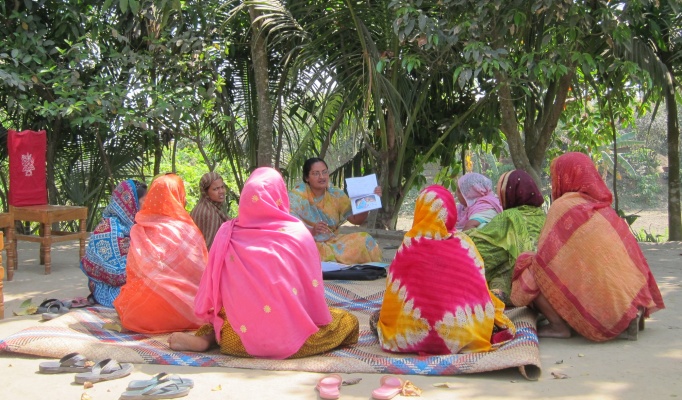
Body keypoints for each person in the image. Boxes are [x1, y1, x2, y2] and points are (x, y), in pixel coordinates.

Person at [168, 167, 359, 359]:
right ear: (279, 195)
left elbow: (215, 293)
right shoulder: (297, 233)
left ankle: (208, 338)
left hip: (235, 338)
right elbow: (311, 294)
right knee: (348, 321)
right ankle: (280, 334)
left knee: (228, 312)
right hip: (288, 340)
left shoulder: (227, 232)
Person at [510, 152, 665, 341]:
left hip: (601, 311)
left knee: (528, 266)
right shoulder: (603, 209)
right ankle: (628, 315)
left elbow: (545, 260)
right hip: (630, 300)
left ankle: (558, 327)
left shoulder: (563, 207)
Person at [374, 185, 515, 355]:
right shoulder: (465, 245)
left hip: (411, 336)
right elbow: (479, 293)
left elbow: (393, 299)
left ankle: (418, 337)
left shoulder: (409, 245)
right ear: (451, 213)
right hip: (463, 337)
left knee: (378, 318)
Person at [114, 173, 208, 334]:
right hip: (189, 314)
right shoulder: (188, 231)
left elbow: (133, 274)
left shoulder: (140, 228)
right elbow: (202, 273)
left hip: (142, 315)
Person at [467, 170, 546, 306]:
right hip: (546, 286)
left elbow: (478, 247)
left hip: (517, 290)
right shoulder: (543, 216)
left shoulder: (509, 217)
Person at [289, 157, 382, 264]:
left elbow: (356, 220)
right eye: (316, 173)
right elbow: (290, 225)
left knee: (365, 239)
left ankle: (333, 260)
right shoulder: (298, 195)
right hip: (309, 242)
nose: (322, 177)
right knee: (299, 250)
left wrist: (369, 200)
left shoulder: (335, 193)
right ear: (306, 178)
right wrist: (312, 230)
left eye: (324, 172)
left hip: (333, 242)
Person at [80, 180, 147, 307]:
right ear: (131, 203)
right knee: (148, 298)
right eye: (144, 201)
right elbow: (116, 275)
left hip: (131, 280)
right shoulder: (109, 229)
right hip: (107, 287)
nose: (147, 206)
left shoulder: (134, 225)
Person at [190, 172, 229, 250]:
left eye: (222, 187)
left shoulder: (208, 207)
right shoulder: (209, 213)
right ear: (206, 192)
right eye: (216, 189)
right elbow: (209, 247)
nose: (221, 191)